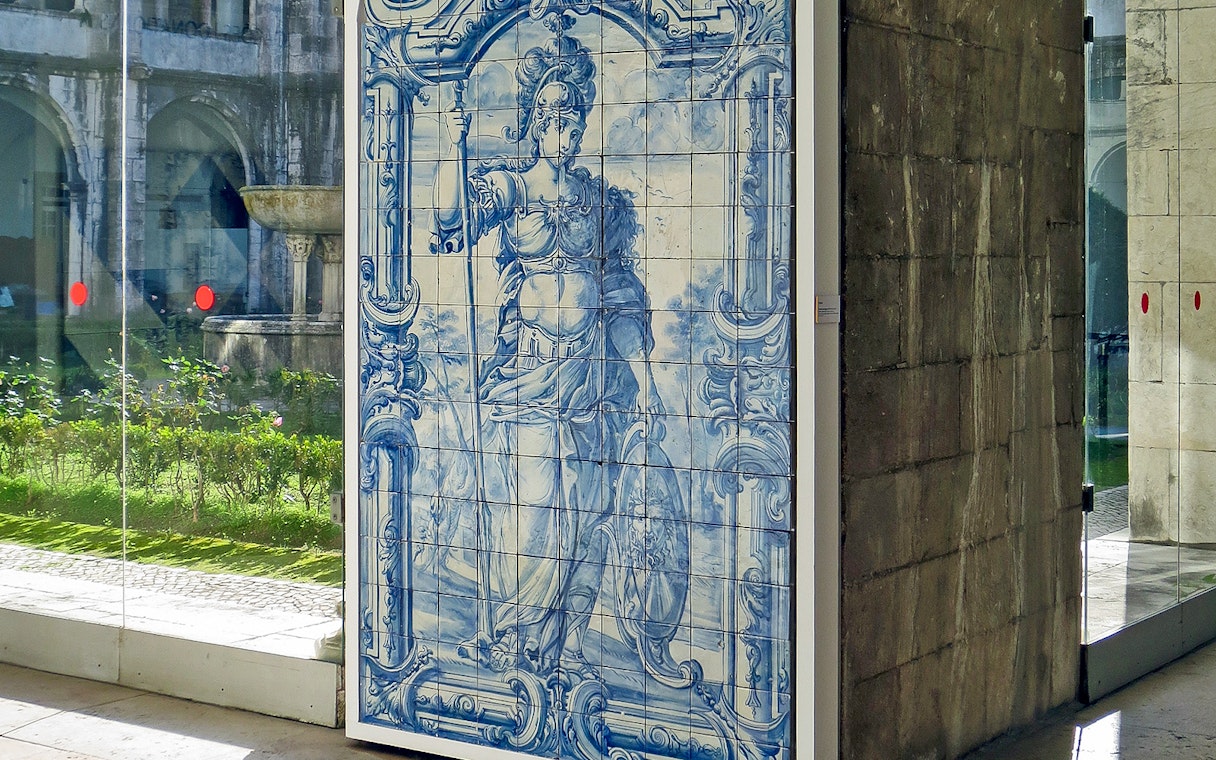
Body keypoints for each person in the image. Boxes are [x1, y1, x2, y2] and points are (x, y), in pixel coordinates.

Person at [433, 25, 663, 676]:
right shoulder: (513, 188)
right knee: (534, 515)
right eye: (554, 113)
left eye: (574, 113)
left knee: (590, 510)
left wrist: (645, 377)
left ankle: (568, 641)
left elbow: (621, 292)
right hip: (531, 373)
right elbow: (449, 223)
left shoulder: (598, 201)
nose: (565, 125)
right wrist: (453, 147)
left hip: (592, 377)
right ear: (534, 119)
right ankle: (517, 638)